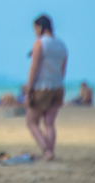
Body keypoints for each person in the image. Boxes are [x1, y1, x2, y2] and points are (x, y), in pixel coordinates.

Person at [24, 15, 67, 161]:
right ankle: (51, 151)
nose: (35, 32)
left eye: (36, 28)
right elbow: (63, 69)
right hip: (58, 86)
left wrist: (29, 87)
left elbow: (34, 68)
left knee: (32, 122)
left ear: (40, 27)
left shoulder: (40, 43)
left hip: (42, 85)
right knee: (49, 122)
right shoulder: (62, 45)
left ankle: (47, 151)